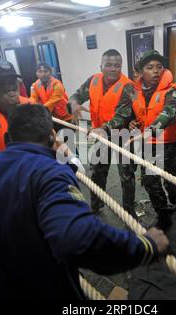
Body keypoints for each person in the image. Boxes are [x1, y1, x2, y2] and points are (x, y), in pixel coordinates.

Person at [0, 104, 169, 299]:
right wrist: (145, 246)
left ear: (8, 137)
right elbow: (78, 240)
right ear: (53, 136)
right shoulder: (50, 172)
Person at [69, 49, 137, 217]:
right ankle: (95, 205)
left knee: (127, 176)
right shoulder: (93, 80)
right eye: (108, 65)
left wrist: (104, 129)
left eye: (117, 66)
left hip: (122, 136)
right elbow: (76, 95)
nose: (113, 69)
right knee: (98, 171)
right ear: (101, 66)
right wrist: (74, 104)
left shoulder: (128, 86)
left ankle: (129, 212)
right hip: (100, 134)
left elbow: (124, 114)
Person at [129, 50, 176, 230]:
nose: (156, 71)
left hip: (169, 143)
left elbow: (169, 112)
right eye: (150, 67)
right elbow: (136, 112)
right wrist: (132, 121)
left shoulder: (172, 90)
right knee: (150, 181)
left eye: (159, 67)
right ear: (141, 71)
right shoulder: (135, 92)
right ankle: (163, 214)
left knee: (174, 180)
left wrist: (151, 130)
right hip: (148, 145)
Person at [30, 62, 74, 129]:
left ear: (50, 72)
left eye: (46, 71)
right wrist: (32, 109)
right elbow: (33, 98)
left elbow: (53, 101)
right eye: (40, 71)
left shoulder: (57, 84)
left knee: (68, 137)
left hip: (64, 117)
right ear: (36, 73)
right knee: (54, 138)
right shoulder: (34, 86)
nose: (43, 74)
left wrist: (40, 111)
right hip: (49, 117)